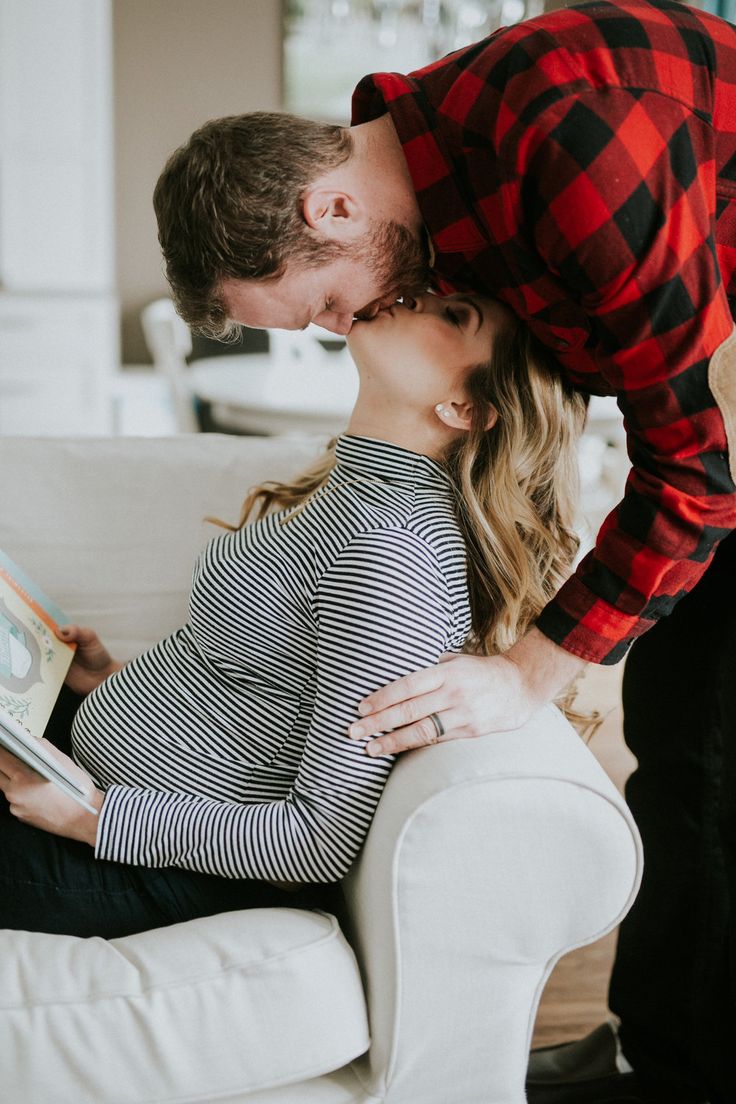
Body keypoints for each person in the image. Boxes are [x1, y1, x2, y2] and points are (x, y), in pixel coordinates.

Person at [150, 1, 736, 1100]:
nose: (349, 326)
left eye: (326, 305)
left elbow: (694, 484)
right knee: (676, 736)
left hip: (719, 408)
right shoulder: (432, 191)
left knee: (709, 754)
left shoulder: (568, 144)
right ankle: (646, 1041)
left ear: (329, 202)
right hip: (706, 388)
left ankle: (679, 1074)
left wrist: (528, 671)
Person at [0, 291, 586, 941]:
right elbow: (259, 685)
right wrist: (107, 679)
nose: (415, 297)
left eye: (454, 315)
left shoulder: (392, 556)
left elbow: (318, 841)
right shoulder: (357, 491)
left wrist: (90, 817)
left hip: (147, 865)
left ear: (464, 407)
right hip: (93, 787)